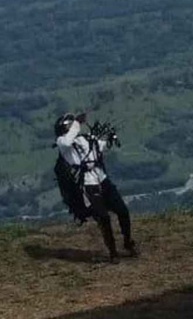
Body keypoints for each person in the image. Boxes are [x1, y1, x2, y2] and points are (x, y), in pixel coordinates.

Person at [54, 112, 136, 262]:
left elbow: (99, 146)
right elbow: (67, 142)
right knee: (103, 218)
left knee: (122, 210)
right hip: (87, 184)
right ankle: (113, 252)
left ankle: (128, 242)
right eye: (71, 125)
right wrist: (77, 124)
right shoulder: (62, 143)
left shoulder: (83, 139)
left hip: (101, 178)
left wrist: (109, 138)